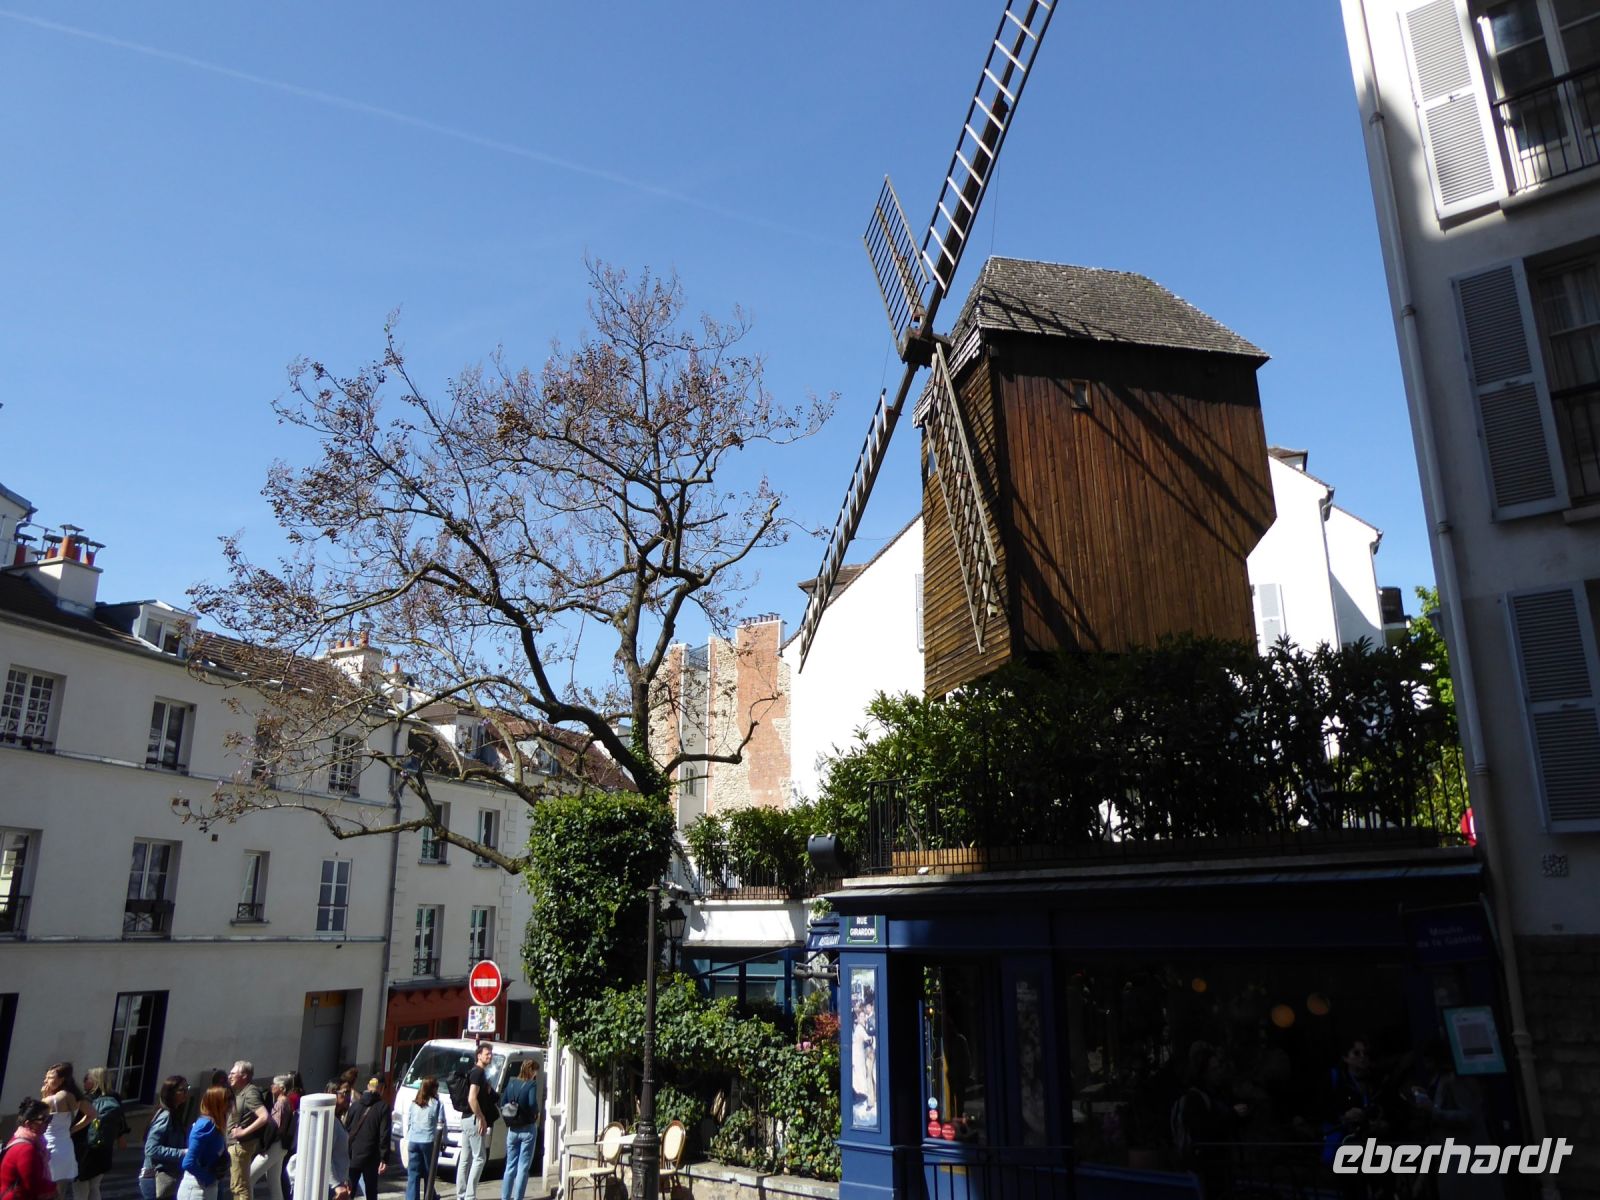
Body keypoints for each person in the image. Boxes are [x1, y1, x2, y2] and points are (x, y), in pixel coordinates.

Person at [76, 1068, 129, 1200]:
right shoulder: (115, 1097)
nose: (83, 1082)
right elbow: (121, 1122)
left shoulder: (86, 1099)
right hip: (104, 1148)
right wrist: (120, 1138)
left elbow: (77, 1123)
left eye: (86, 1079)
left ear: (95, 1081)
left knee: (80, 1187)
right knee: (95, 1186)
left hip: (85, 1148)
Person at [41, 1062, 92, 1200]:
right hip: (66, 1146)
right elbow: (92, 1114)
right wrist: (72, 1130)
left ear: (61, 1079)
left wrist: (44, 1097)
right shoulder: (75, 1095)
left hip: (50, 1147)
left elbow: (38, 1119)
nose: (45, 1080)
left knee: (46, 1191)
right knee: (60, 1192)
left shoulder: (54, 1099)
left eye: (49, 1077)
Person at [226, 1062, 272, 1200]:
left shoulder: (250, 1092)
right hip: (236, 1146)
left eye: (233, 1073)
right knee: (238, 1186)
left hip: (240, 1146)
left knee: (239, 1187)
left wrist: (243, 1132)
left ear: (244, 1076)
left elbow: (264, 1117)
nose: (230, 1076)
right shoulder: (240, 1092)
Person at [458, 1043, 498, 1200]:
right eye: (487, 1054)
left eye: (490, 1054)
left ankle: (461, 1195)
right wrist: (481, 1117)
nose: (490, 1056)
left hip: (466, 1119)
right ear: (479, 1055)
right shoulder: (478, 1073)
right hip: (473, 1119)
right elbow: (471, 1098)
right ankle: (469, 1196)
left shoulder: (474, 1072)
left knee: (465, 1159)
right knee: (480, 1158)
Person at [140, 1076, 189, 1200]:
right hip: (155, 1177)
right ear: (171, 1093)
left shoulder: (175, 1115)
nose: (186, 1093)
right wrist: (182, 1152)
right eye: (182, 1090)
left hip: (166, 1175)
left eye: (187, 1089)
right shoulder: (165, 1116)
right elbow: (151, 1149)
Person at [180, 1087, 232, 1200]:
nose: (231, 1103)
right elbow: (188, 1163)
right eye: (227, 1099)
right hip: (196, 1189)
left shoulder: (216, 1124)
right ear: (216, 1102)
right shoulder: (205, 1126)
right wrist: (209, 1179)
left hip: (208, 1188)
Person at [2, 1097, 59, 1200]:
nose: (48, 1123)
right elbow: (33, 1185)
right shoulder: (25, 1149)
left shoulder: (33, 1142)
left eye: (49, 1118)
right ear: (28, 1124)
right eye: (44, 1119)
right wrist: (54, 1187)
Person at [344, 1077, 391, 1199]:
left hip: (353, 1153)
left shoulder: (354, 1105)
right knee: (371, 1190)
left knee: (350, 1189)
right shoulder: (383, 1107)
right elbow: (384, 1134)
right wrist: (384, 1158)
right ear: (381, 1089)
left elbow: (347, 1128)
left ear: (368, 1086)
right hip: (371, 1155)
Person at [499, 1061, 540, 1200]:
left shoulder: (511, 1083)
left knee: (510, 1166)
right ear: (532, 1071)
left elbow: (502, 1102)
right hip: (527, 1128)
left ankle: (505, 1197)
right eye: (536, 1071)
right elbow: (532, 1103)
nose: (537, 1074)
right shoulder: (531, 1084)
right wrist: (536, 1113)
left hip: (512, 1129)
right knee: (523, 1167)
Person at [249, 1076, 292, 1200]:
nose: (271, 1086)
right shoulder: (286, 1101)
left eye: (274, 1084)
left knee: (248, 1179)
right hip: (281, 1146)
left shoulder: (280, 1103)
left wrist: (265, 1146)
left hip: (274, 1145)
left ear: (282, 1088)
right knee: (274, 1183)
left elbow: (275, 1127)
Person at [400, 1077, 443, 1200]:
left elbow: (409, 1122)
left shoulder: (414, 1103)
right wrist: (442, 1141)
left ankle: (412, 1198)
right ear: (433, 1089)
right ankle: (430, 1196)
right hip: (427, 1141)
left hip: (413, 1140)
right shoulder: (436, 1104)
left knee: (413, 1174)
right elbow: (441, 1124)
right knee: (429, 1173)